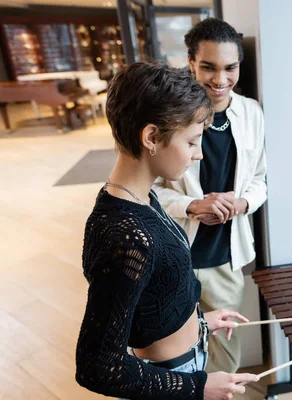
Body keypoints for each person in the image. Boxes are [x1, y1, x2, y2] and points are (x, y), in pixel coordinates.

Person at [75, 62, 258, 400]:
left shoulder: (143, 199)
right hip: (171, 378)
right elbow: (98, 366)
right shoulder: (123, 235)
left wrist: (200, 320)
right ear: (152, 137)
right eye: (191, 142)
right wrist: (197, 387)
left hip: (190, 357)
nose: (199, 154)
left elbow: (155, 298)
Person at [153, 18, 267, 374]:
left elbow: (260, 179)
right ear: (190, 63)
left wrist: (244, 203)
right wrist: (190, 205)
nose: (220, 79)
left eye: (230, 67)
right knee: (176, 355)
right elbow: (145, 189)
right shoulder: (166, 113)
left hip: (225, 260)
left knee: (224, 357)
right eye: (208, 67)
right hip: (174, 256)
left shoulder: (251, 113)